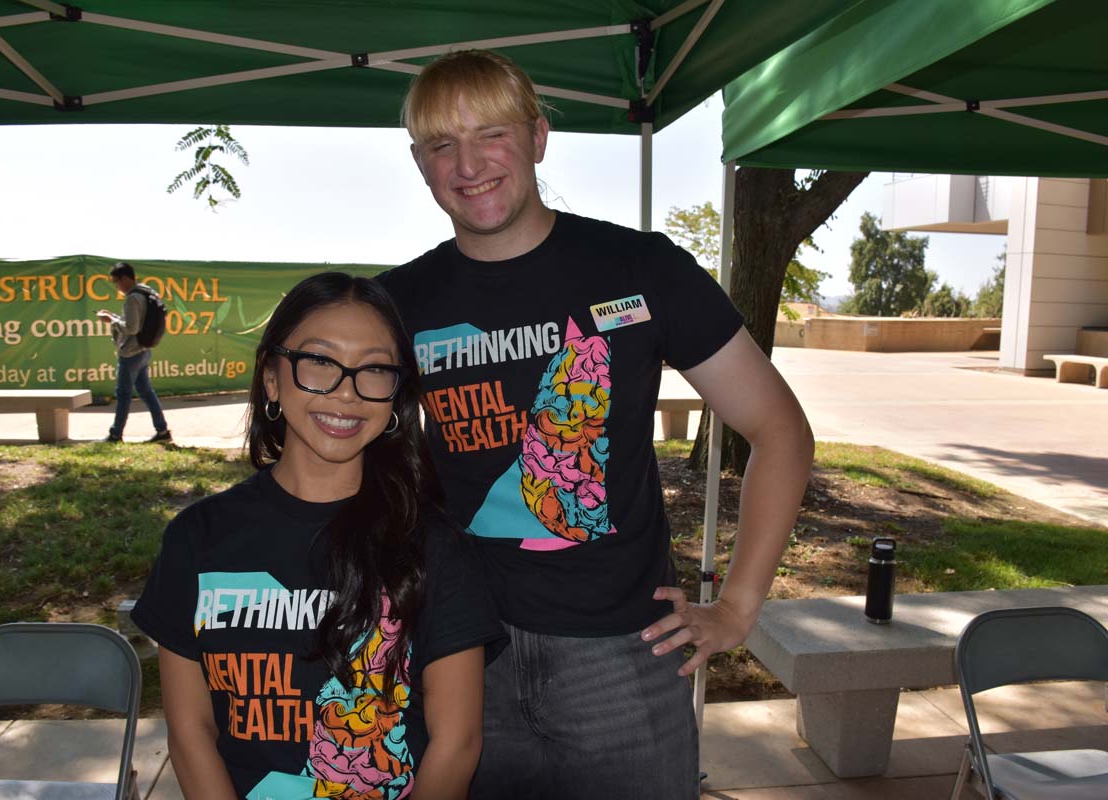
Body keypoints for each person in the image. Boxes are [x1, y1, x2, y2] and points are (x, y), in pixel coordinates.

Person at [379, 50, 815, 799]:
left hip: (624, 656)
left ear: (539, 137)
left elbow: (780, 430)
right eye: (441, 144)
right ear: (419, 163)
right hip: (461, 655)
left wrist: (739, 607)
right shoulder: (398, 302)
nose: (469, 163)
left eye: (492, 134)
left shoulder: (641, 270)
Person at [130, 272, 505, 800]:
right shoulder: (197, 539)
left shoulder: (433, 544)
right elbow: (192, 732)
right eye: (320, 362)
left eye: (374, 369)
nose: (346, 393)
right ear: (271, 378)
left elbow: (457, 742)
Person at [96, 261, 171, 443]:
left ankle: (116, 434)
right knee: (146, 391)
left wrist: (110, 321)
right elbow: (136, 322)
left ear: (125, 279)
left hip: (131, 353)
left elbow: (131, 328)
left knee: (123, 394)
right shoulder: (146, 291)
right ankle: (162, 431)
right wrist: (114, 316)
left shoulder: (132, 298)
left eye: (116, 282)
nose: (116, 286)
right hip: (144, 350)